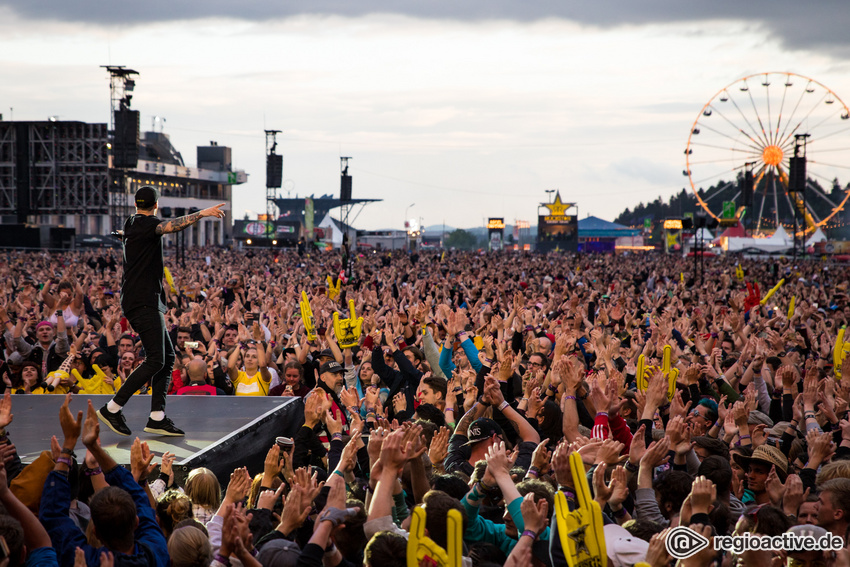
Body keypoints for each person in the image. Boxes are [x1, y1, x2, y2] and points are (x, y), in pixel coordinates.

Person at [97, 186, 225, 436]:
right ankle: (113, 408)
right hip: (143, 301)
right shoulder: (147, 224)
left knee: (166, 360)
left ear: (136, 204)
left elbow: (139, 234)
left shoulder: (131, 222)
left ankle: (157, 417)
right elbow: (170, 226)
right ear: (156, 205)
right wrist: (201, 214)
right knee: (157, 358)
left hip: (139, 300)